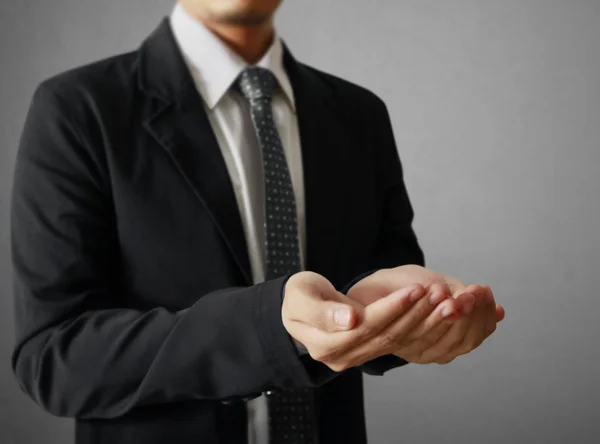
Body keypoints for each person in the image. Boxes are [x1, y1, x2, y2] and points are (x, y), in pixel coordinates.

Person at [10, 1, 505, 443]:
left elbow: (375, 302)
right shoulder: (78, 109)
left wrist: (419, 317)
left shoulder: (360, 115)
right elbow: (55, 359)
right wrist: (271, 327)